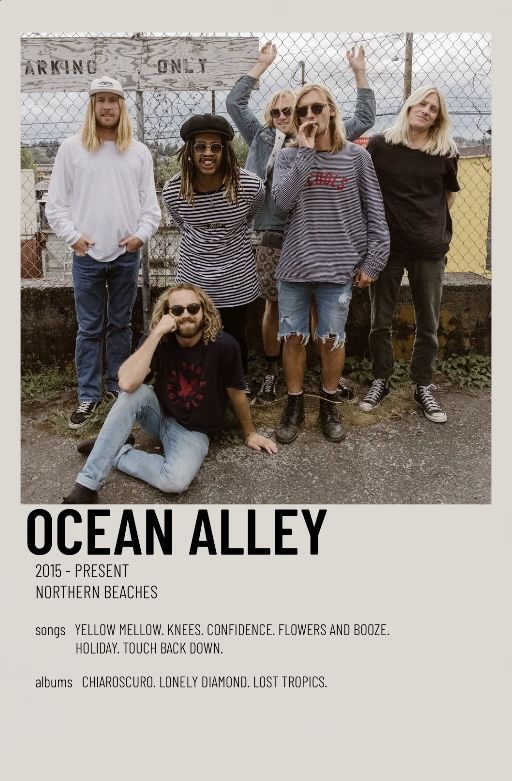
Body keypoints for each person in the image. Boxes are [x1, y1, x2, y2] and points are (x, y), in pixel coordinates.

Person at [226, 43, 376, 404]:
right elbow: (234, 104)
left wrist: (359, 72)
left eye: (288, 110)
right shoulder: (262, 138)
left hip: (313, 237)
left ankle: (322, 378)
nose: (282, 115)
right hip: (272, 232)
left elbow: (364, 119)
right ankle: (273, 372)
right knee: (275, 307)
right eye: (275, 111)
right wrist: (259, 67)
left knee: (317, 309)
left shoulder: (324, 137)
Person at [62, 283, 277, 504]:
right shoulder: (160, 339)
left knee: (175, 481)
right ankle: (88, 484)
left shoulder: (224, 345)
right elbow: (126, 383)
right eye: (177, 310)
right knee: (132, 394)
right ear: (168, 314)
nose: (186, 315)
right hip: (159, 414)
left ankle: (110, 449)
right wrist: (156, 333)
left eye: (193, 308)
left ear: (205, 310)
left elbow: (236, 392)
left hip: (193, 431)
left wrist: (250, 433)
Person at [272, 83, 389, 444]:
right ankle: (294, 404)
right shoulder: (289, 157)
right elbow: (281, 203)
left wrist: (374, 260)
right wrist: (305, 152)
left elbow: (376, 213)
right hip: (295, 266)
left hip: (338, 268)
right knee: (293, 339)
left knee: (331, 340)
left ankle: (328, 401)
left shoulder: (357, 157)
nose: (309, 116)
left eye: (316, 108)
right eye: (302, 111)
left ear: (332, 110)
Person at [45, 76, 161, 429]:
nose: (107, 106)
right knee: (90, 327)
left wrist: (141, 236)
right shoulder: (72, 148)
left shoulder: (138, 151)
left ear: (122, 106)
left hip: (126, 253)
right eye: (100, 100)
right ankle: (88, 395)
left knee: (121, 324)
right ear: (92, 106)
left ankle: (117, 388)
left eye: (113, 100)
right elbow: (55, 206)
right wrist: (74, 237)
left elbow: (150, 207)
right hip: (86, 256)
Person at [359, 86, 460, 423]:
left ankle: (423, 385)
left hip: (429, 250)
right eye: (421, 103)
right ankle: (381, 379)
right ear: (409, 105)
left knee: (428, 322)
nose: (426, 110)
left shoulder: (445, 152)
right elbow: (366, 190)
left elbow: (448, 195)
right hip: (386, 248)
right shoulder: (381, 145)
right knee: (380, 321)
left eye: (433, 108)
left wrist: (430, 228)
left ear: (438, 117)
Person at [162, 114, 264, 395]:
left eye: (215, 147)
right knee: (193, 340)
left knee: (234, 339)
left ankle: (237, 389)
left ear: (226, 151)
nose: (208, 153)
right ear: (189, 151)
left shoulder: (249, 186)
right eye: (200, 147)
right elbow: (184, 225)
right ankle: (201, 391)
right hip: (193, 281)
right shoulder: (173, 191)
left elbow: (251, 214)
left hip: (236, 280)